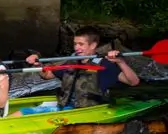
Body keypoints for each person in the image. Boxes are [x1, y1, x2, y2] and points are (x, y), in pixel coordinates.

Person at [12, 26, 141, 116]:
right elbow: (47, 75)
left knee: (22, 113)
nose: (77, 47)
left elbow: (133, 82)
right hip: (66, 108)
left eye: (81, 44)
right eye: (75, 44)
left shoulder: (105, 65)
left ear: (93, 45)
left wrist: (121, 62)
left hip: (89, 111)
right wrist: (37, 64)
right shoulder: (71, 62)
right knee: (21, 111)